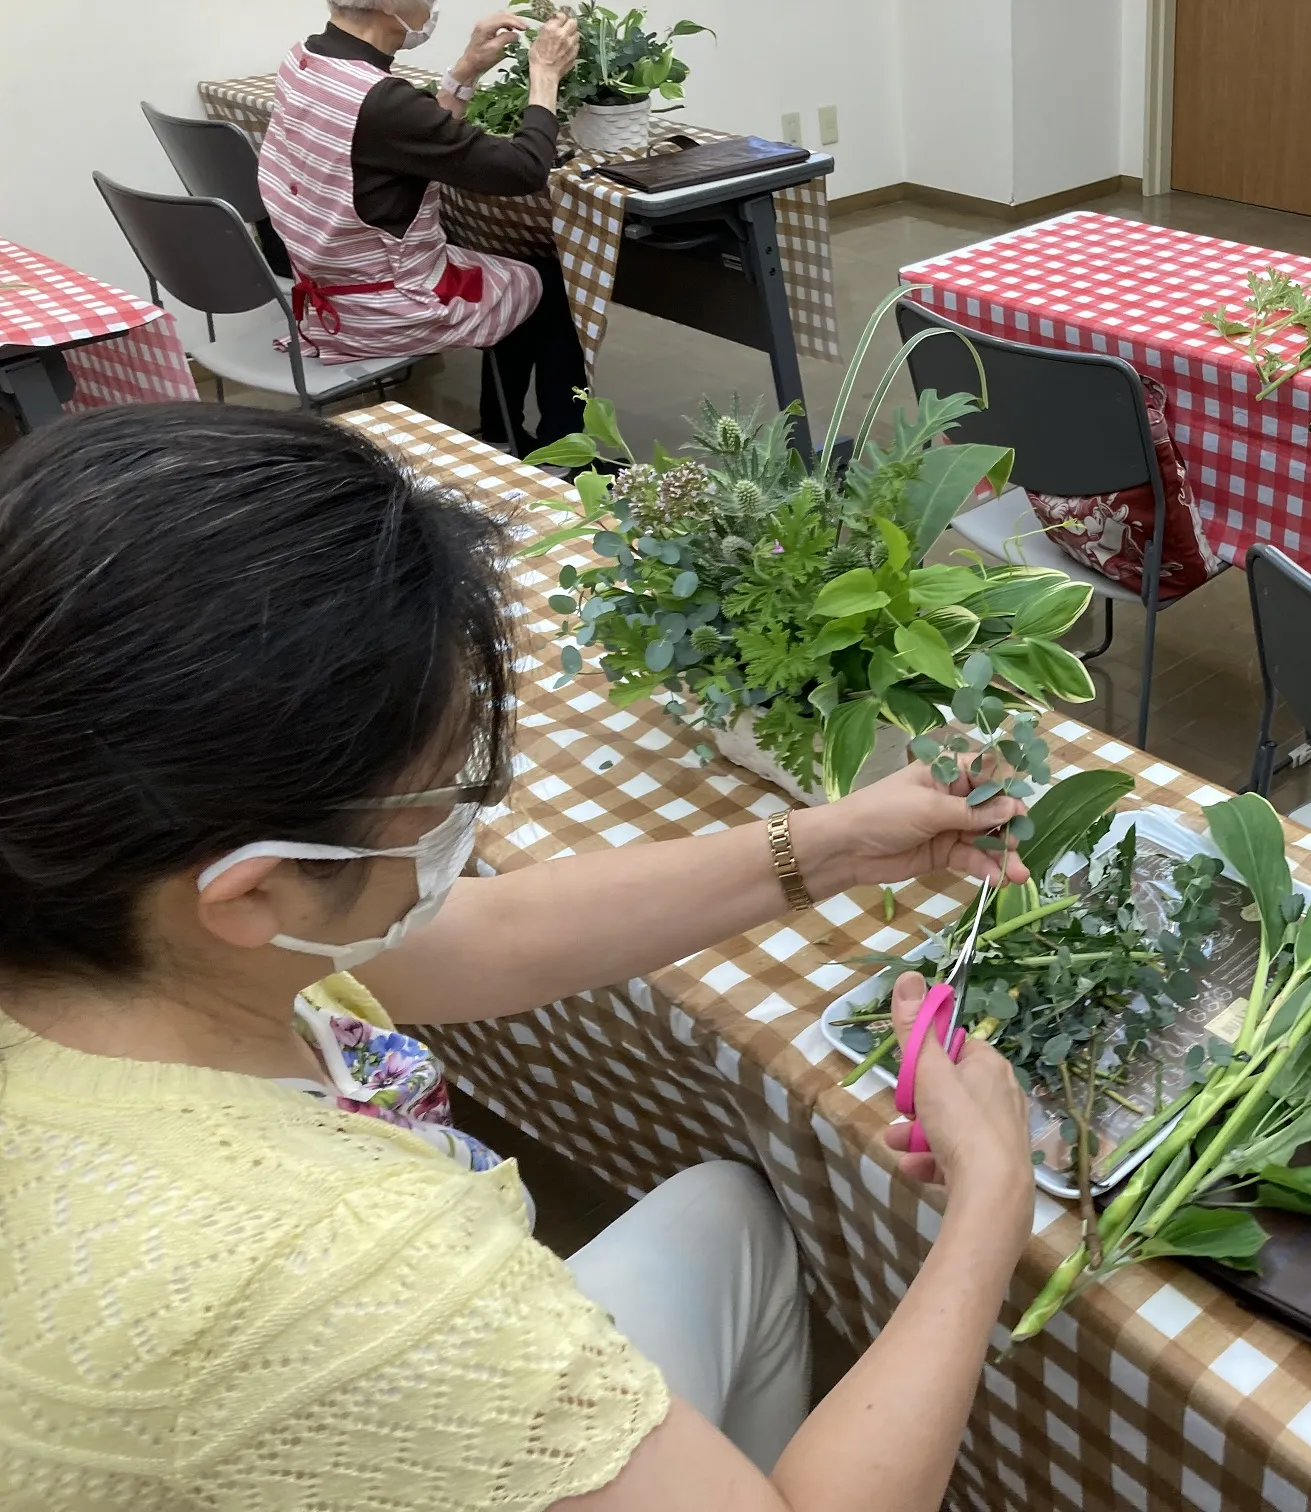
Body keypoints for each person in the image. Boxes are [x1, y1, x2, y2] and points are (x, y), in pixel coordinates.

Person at [0, 405, 1037, 1511]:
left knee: (729, 1214)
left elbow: (487, 936)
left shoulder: (88, 893)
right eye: (450, 795)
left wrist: (830, 846)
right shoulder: (344, 1279)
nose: (470, 826)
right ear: (252, 891)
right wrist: (990, 1203)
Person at [261, 3, 589, 452]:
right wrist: (545, 75)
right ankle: (560, 452)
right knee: (550, 280)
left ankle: (504, 434)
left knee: (515, 269)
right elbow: (524, 170)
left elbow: (407, 138)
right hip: (384, 311)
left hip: (330, 296)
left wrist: (467, 68)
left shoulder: (305, 60)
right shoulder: (381, 101)